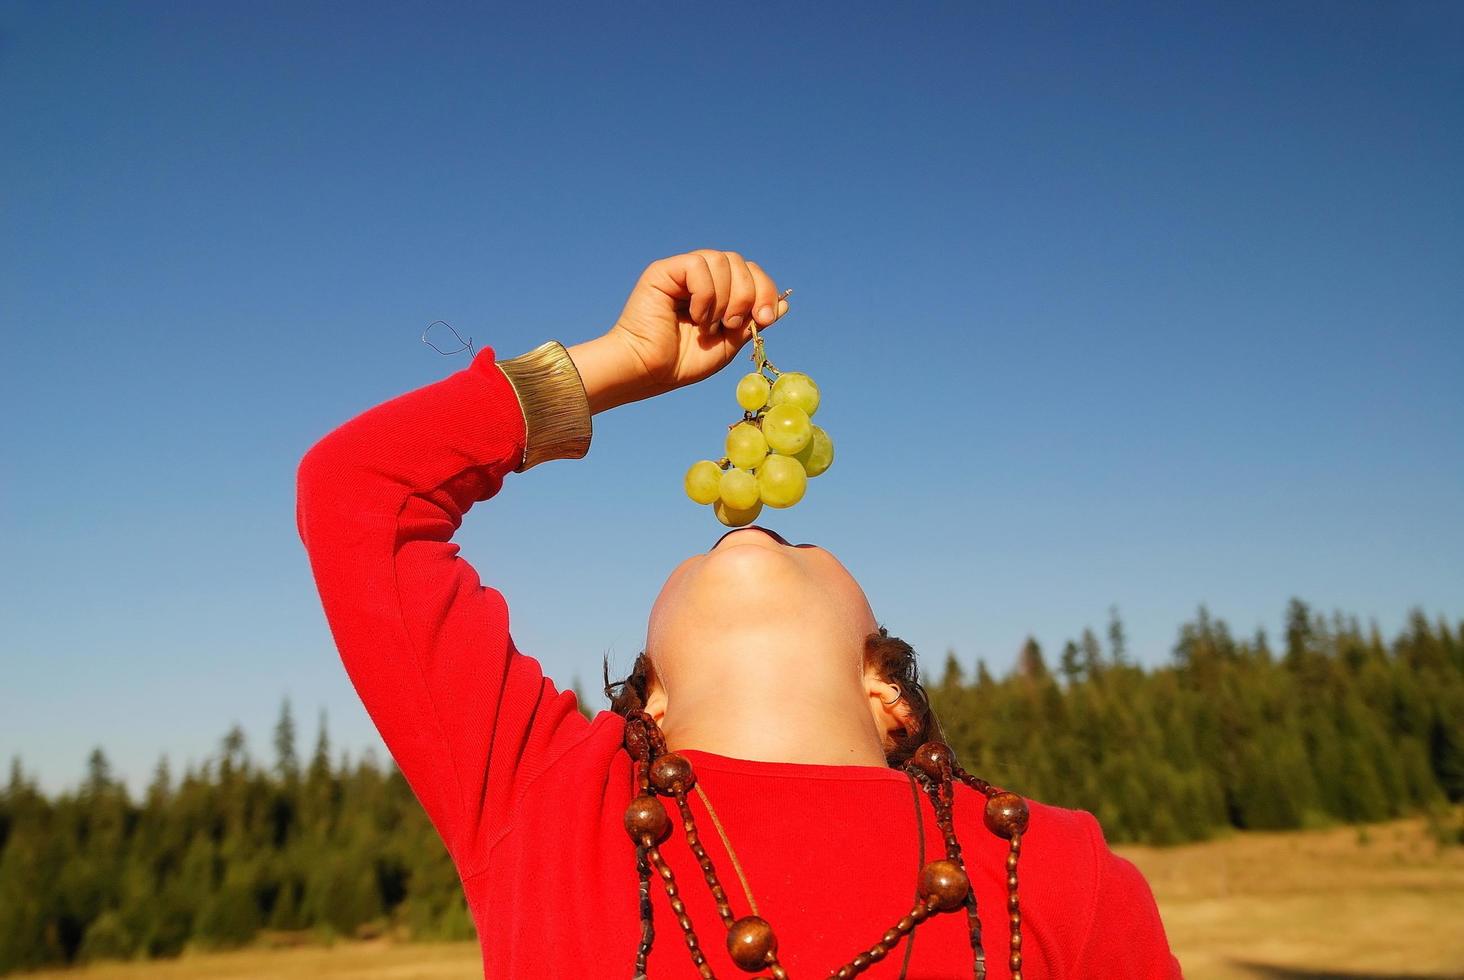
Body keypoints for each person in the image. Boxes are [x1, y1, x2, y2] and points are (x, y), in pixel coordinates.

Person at [295, 250, 1183, 978]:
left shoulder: (1058, 868)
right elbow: (357, 493)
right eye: (721, 546)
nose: (755, 535)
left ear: (890, 696)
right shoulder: (559, 798)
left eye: (799, 546)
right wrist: (618, 364)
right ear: (649, 708)